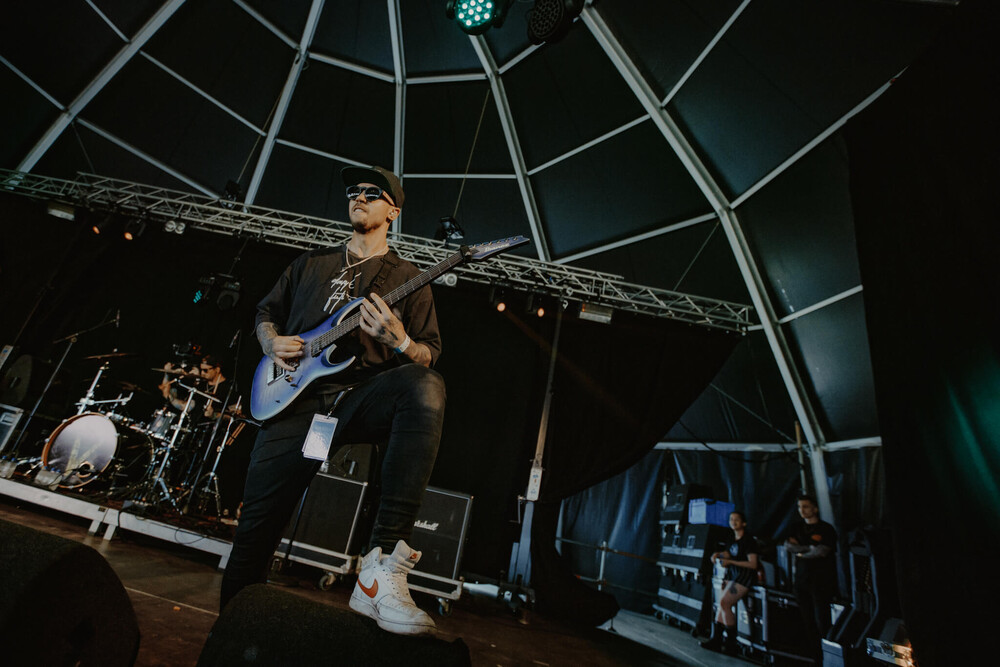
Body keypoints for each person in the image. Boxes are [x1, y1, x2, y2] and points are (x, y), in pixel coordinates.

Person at [220, 165, 445, 637]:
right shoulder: (310, 264)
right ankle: (231, 637)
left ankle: (382, 565)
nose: (358, 197)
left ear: (393, 212)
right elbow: (265, 313)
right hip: (294, 400)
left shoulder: (409, 278)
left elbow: (427, 354)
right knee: (254, 532)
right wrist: (271, 342)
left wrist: (401, 341)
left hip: (360, 397)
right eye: (353, 191)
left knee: (425, 385)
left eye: (372, 192)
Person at [785, 494, 838, 660]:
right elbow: (789, 546)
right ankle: (816, 657)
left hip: (821, 581)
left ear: (815, 508)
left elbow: (822, 551)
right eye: (799, 507)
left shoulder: (826, 529)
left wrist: (801, 551)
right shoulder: (796, 527)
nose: (802, 510)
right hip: (801, 581)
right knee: (807, 622)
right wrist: (809, 549)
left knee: (822, 620)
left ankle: (828, 657)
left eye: (806, 506)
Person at [701, 510, 759, 654]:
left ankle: (731, 643)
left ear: (744, 523)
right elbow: (729, 552)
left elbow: (753, 564)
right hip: (732, 575)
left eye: (736, 519)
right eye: (731, 519)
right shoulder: (732, 538)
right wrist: (718, 554)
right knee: (722, 605)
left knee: (725, 603)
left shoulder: (749, 541)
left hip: (744, 577)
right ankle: (717, 639)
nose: (733, 522)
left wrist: (731, 562)